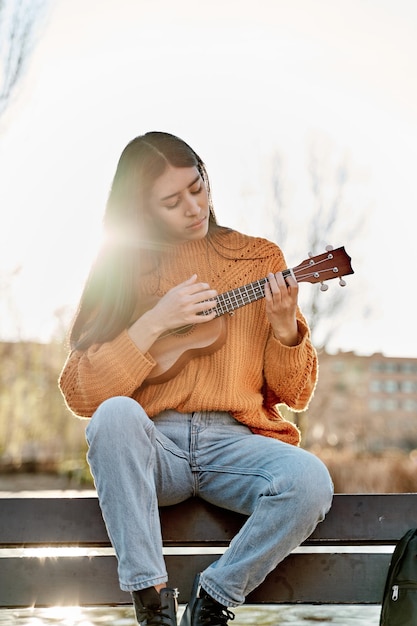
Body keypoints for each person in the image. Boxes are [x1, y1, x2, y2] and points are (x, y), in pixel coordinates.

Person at [59, 131, 333, 626]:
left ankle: (213, 600)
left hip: (237, 446)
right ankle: (154, 604)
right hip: (153, 447)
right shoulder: (118, 268)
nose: (194, 207)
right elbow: (82, 393)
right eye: (171, 201)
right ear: (141, 209)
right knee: (115, 415)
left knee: (309, 480)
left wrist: (285, 328)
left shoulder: (257, 258)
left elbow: (296, 393)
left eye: (198, 186)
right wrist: (153, 322)